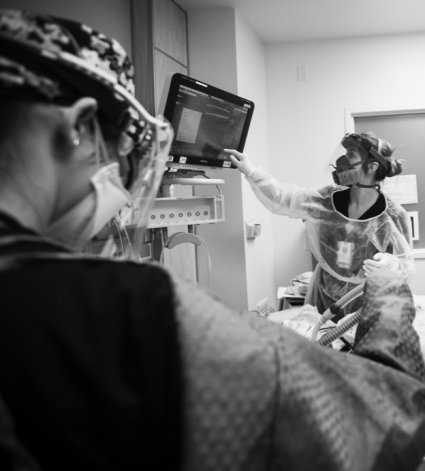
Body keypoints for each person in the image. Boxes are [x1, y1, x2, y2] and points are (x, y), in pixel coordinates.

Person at [0, 9, 425, 471]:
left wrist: (384, 277)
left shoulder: (393, 215)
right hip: (328, 307)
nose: (122, 181)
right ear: (78, 127)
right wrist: (390, 296)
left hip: (350, 310)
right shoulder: (130, 310)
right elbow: (384, 417)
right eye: (124, 148)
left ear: (372, 170)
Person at [226, 132, 414, 317]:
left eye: (351, 155)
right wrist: (251, 172)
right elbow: (282, 198)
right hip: (324, 298)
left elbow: (405, 264)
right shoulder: (326, 199)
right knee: (322, 339)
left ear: (371, 167)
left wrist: (391, 266)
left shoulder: (393, 216)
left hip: (368, 304)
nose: (342, 161)